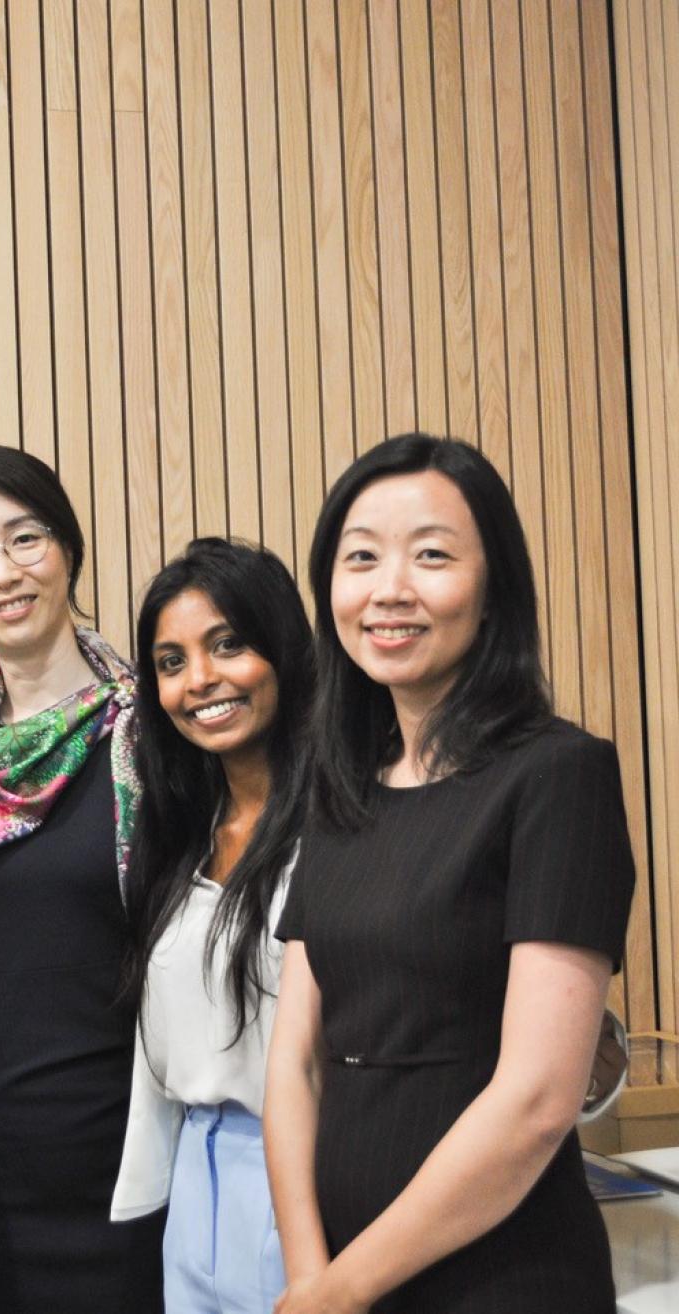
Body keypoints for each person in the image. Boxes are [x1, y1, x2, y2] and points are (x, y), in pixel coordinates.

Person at [264, 434, 637, 1313]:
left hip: (505, 1275)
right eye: (361, 558)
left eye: (431, 555)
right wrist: (311, 1276)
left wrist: (341, 1291)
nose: (390, 588)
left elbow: (540, 1098)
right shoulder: (337, 788)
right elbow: (293, 1066)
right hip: (341, 1275)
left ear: (492, 587)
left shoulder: (557, 774)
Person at [0, 445, 165, 1314]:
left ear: (68, 550)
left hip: (135, 1155)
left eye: (26, 538)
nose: (3, 572)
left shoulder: (155, 741)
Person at [115, 538, 313, 1312]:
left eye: (227, 644)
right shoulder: (181, 834)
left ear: (283, 648)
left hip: (313, 1177)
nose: (200, 681)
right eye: (171, 662)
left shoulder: (345, 826)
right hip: (197, 1185)